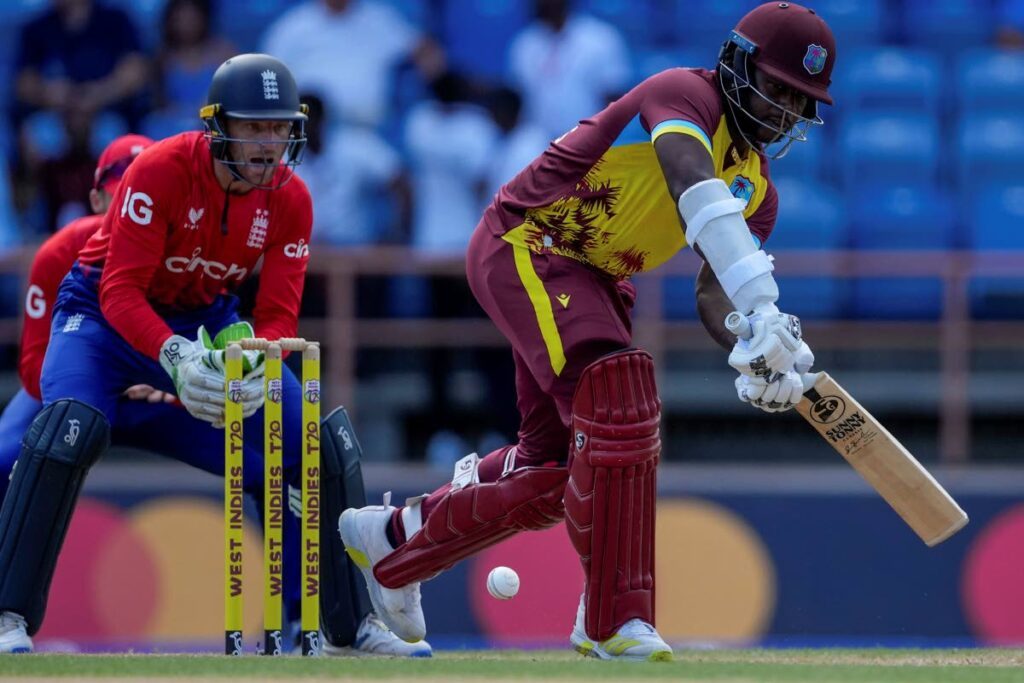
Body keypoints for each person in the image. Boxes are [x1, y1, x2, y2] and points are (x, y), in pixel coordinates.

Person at [340, 2, 834, 661]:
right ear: (738, 64)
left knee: (552, 466)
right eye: (775, 88)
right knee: (618, 414)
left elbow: (717, 291)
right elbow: (691, 179)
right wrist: (763, 301)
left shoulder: (758, 192)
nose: (781, 112)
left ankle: (394, 536)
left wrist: (755, 344)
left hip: (595, 278)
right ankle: (614, 619)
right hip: (530, 242)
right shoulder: (681, 93)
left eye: (798, 102)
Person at [0, 53, 430, 658]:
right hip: (101, 318)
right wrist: (174, 357)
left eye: (279, 127)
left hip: (207, 317)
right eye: (253, 127)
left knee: (312, 435)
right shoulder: (160, 169)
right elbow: (118, 291)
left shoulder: (291, 198)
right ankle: (6, 615)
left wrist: (253, 363)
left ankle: (346, 628)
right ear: (216, 125)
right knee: (69, 425)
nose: (268, 144)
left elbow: (278, 314)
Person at [507, 0, 631, 139]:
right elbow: (516, 99)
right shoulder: (524, 43)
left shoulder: (600, 38)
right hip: (536, 143)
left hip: (589, 139)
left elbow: (615, 97)